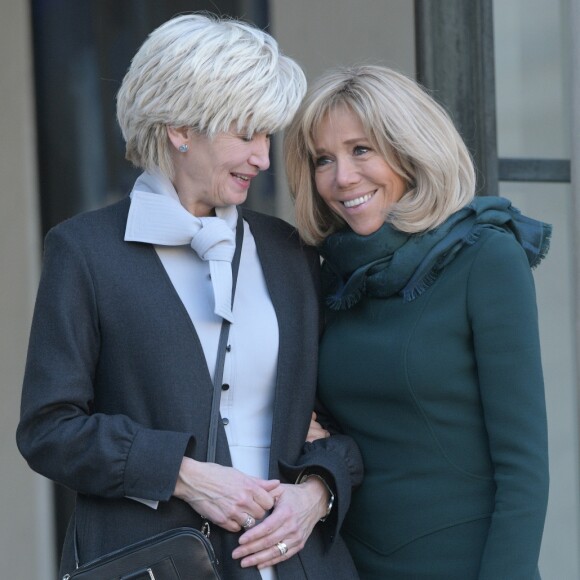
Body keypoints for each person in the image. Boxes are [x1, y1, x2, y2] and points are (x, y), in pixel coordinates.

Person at [16, 14, 363, 580]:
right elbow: (48, 430)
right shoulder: (84, 252)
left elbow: (337, 423)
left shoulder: (290, 253)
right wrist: (183, 475)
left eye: (266, 136)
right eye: (246, 134)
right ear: (181, 129)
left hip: (300, 566)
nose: (263, 158)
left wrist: (316, 495)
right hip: (160, 562)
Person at [284, 64, 551, 579]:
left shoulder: (485, 257)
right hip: (349, 564)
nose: (342, 177)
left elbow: (523, 470)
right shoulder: (326, 277)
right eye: (324, 159)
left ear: (410, 148)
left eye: (362, 149)